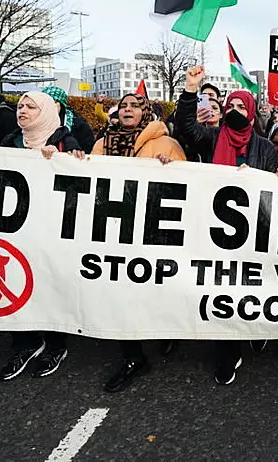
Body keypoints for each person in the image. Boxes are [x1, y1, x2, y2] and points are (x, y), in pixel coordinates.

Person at [0, 91, 85, 381]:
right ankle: (25, 342)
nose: (22, 110)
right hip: (16, 228)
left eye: (31, 107)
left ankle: (56, 345)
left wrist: (65, 159)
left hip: (53, 230)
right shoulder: (10, 141)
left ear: (46, 111)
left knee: (49, 284)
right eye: (20, 106)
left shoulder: (65, 139)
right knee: (16, 281)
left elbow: (80, 176)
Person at [176, 66, 278, 385]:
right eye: (230, 106)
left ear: (250, 113)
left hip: (252, 232)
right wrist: (191, 90)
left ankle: (254, 328)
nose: (234, 111)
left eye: (240, 107)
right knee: (223, 289)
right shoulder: (212, 137)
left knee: (251, 288)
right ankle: (227, 350)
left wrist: (273, 178)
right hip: (215, 230)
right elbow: (186, 128)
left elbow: (274, 191)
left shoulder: (266, 148)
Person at [91, 93, 187, 392]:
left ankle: (167, 328)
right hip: (115, 230)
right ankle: (133, 357)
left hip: (153, 231)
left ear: (145, 112)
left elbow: (187, 184)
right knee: (121, 292)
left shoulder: (165, 143)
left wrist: (170, 168)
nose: (128, 109)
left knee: (156, 288)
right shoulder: (100, 144)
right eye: (124, 106)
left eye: (135, 105)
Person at [42, 86, 96, 153]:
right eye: (47, 103)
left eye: (55, 102)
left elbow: (87, 150)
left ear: (62, 105)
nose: (50, 106)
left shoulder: (78, 125)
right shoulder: (33, 123)